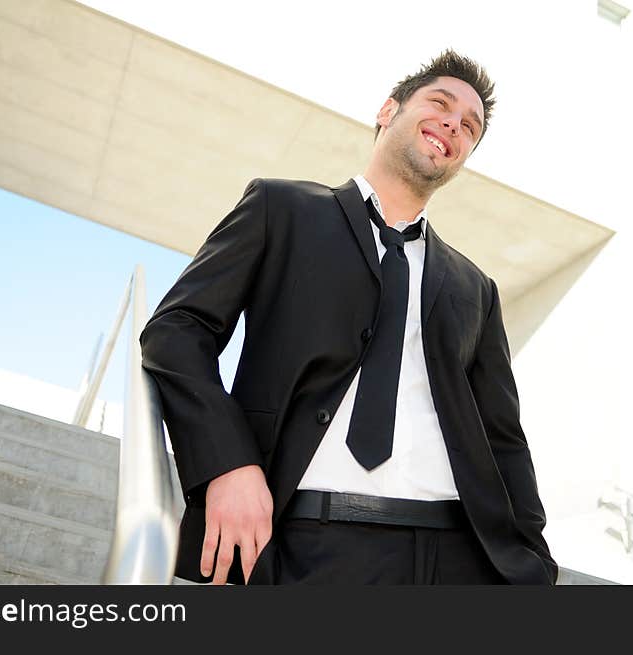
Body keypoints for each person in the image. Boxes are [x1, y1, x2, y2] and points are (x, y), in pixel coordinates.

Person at [140, 49, 558, 585]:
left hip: (457, 560)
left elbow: (504, 440)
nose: (455, 124)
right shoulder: (281, 210)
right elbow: (176, 332)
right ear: (388, 111)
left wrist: (536, 565)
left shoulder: (476, 288)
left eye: (470, 128)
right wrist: (227, 463)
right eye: (441, 103)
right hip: (305, 542)